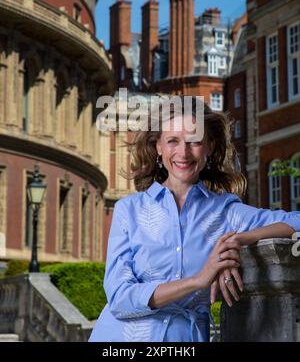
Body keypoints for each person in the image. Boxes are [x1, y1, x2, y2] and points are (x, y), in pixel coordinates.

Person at [89, 97, 300, 342]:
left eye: (195, 141)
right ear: (158, 146)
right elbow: (119, 297)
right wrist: (199, 279)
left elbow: (296, 220)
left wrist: (238, 239)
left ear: (209, 146)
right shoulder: (129, 210)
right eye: (172, 141)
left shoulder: (226, 212)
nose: (184, 152)